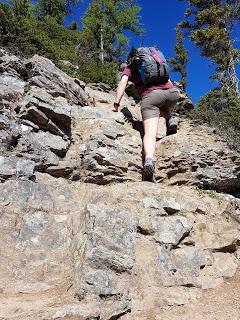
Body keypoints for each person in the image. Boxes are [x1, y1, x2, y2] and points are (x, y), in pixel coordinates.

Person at [113, 47, 180, 182]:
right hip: (173, 93)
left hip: (151, 96)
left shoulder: (130, 67)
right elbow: (168, 81)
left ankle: (149, 160)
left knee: (150, 132)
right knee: (163, 102)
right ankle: (169, 118)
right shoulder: (156, 61)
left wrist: (116, 104)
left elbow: (123, 83)